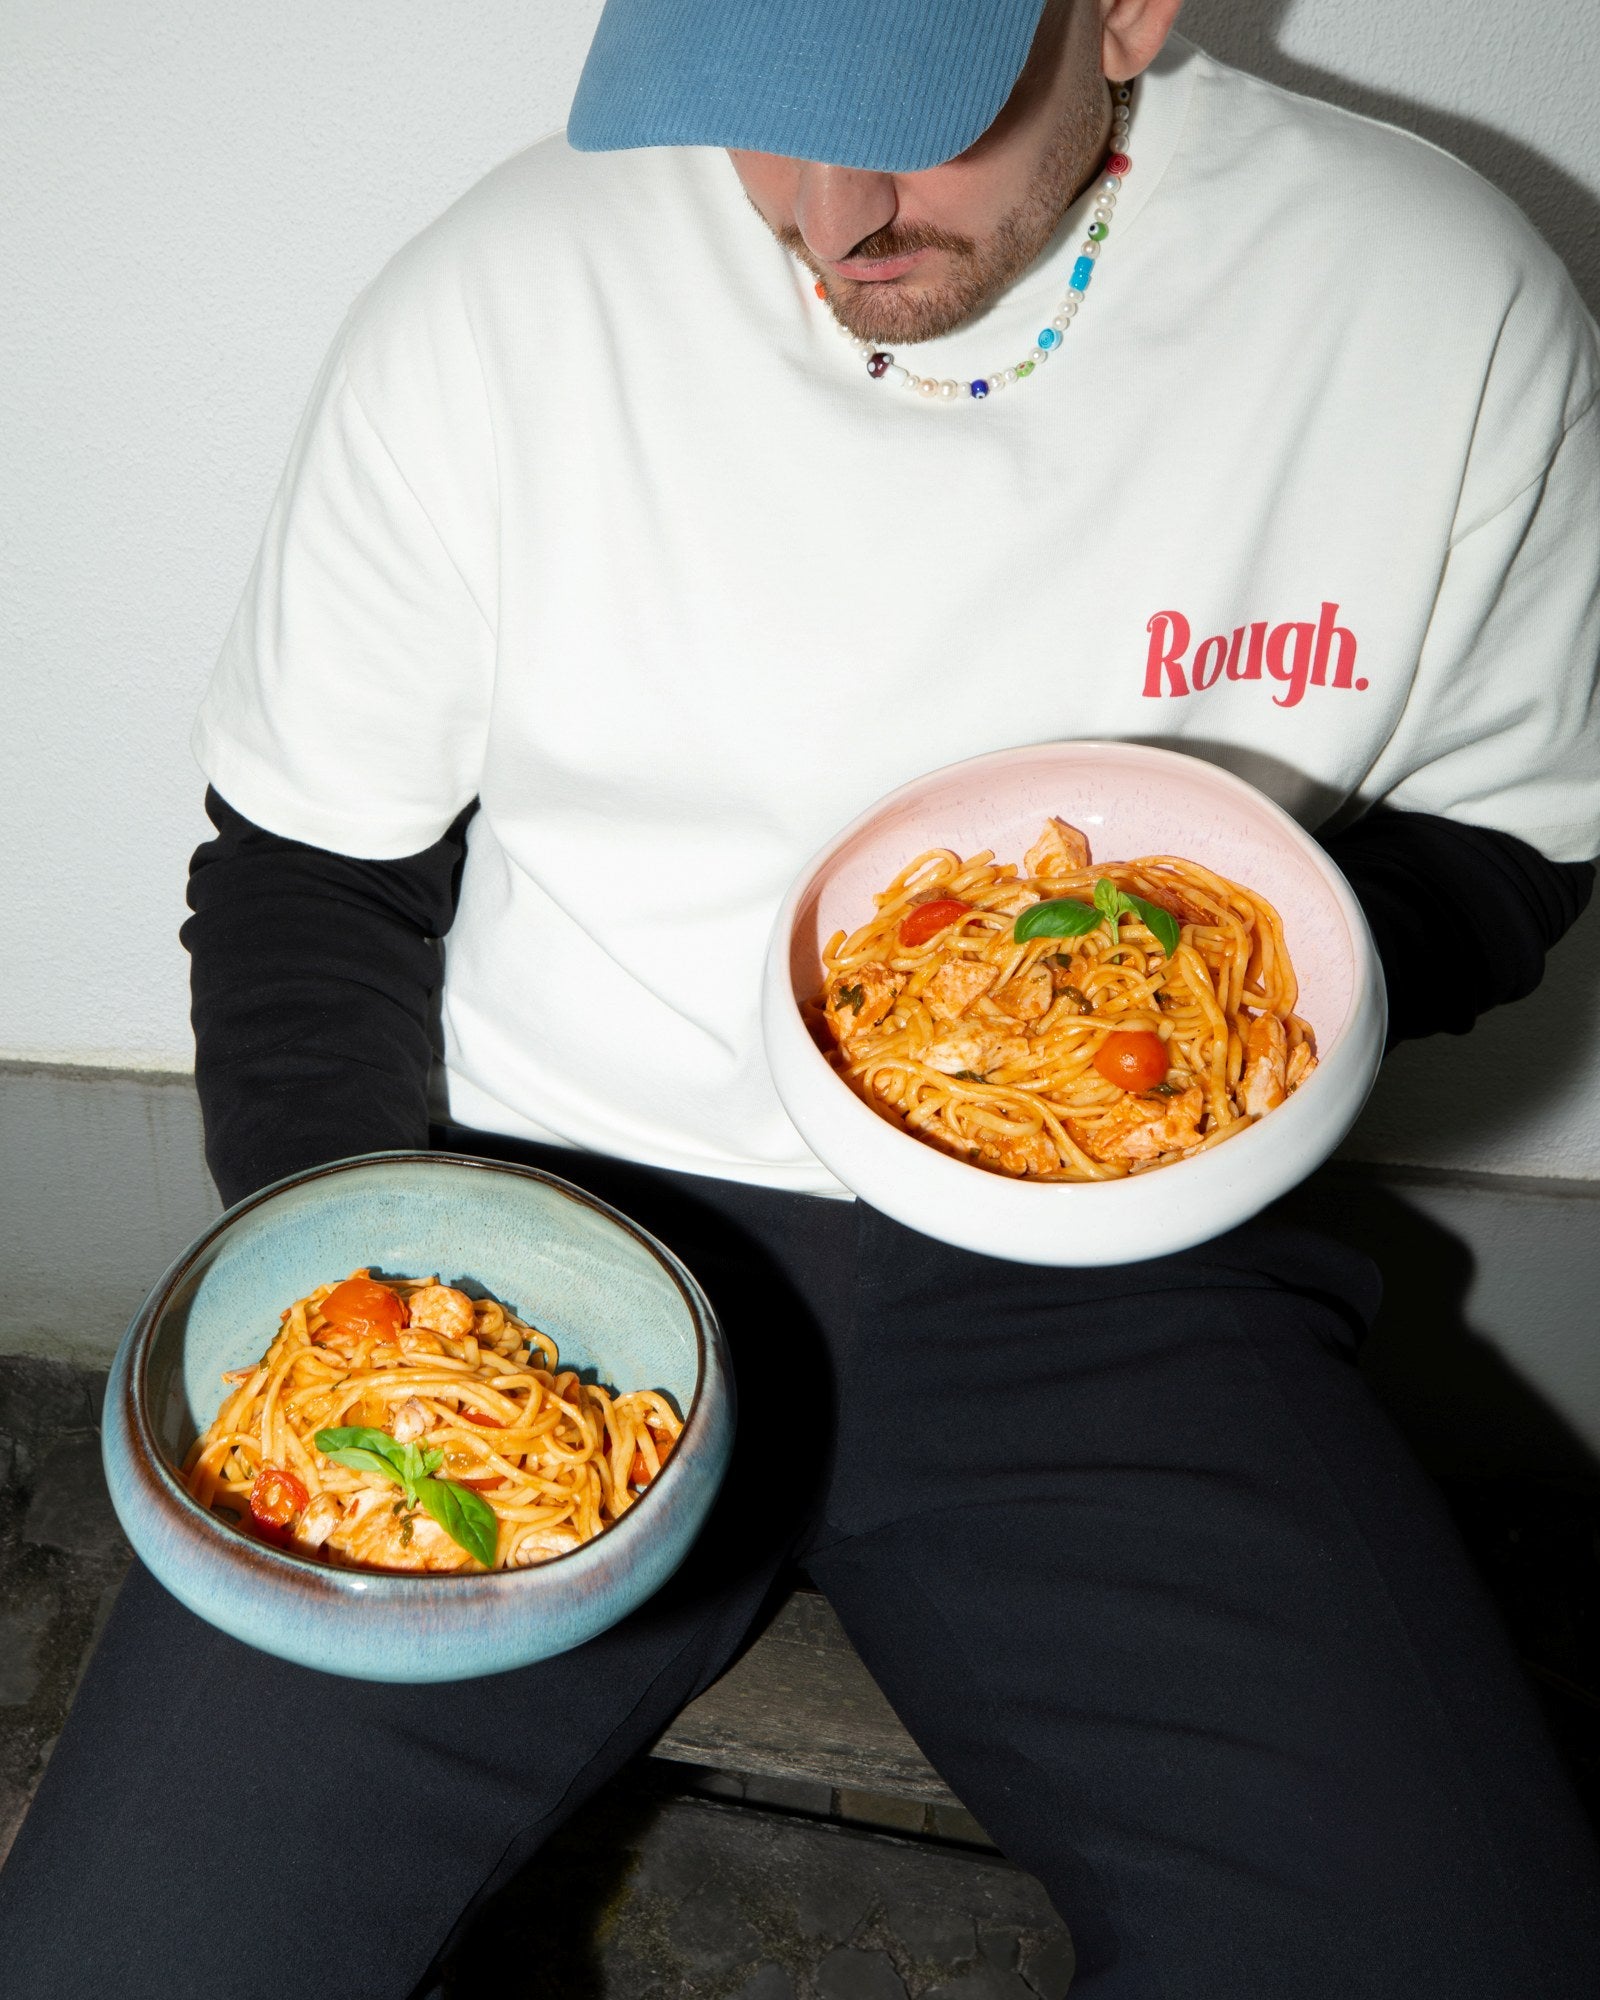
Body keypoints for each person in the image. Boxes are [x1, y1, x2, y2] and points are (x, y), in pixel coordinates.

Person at [4, 1, 1599, 1993]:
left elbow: (1507, 841)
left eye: (908, 121)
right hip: (545, 1234)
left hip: (1111, 1294)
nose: (830, 212)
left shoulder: (1431, 304)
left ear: (1124, 12)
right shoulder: (506, 294)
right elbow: (304, 877)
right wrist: (376, 1276)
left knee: (1445, 1948)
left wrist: (1214, 997)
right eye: (762, 122)